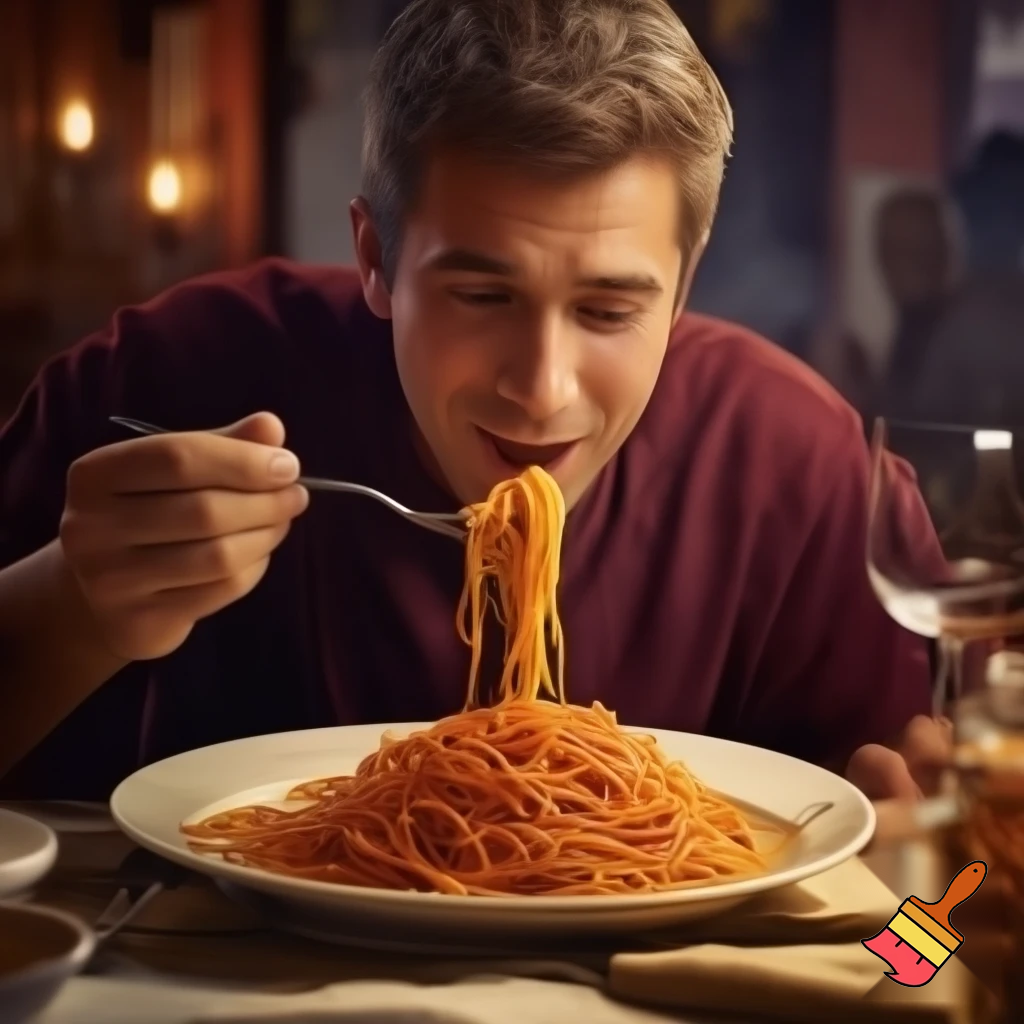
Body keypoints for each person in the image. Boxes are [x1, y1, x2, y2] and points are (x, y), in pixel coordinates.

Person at [0, 0, 946, 803]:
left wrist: (920, 937)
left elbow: (959, 902)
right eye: (484, 297)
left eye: (607, 310)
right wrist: (69, 605)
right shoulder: (176, 377)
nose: (541, 388)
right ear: (376, 258)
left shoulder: (805, 475)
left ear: (684, 283)